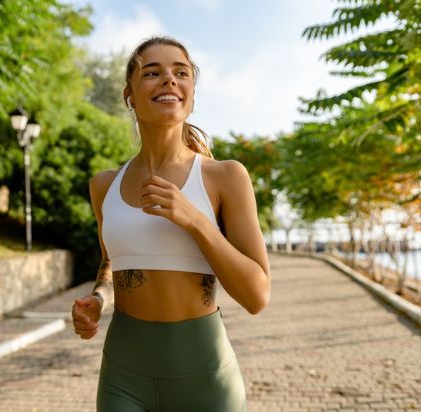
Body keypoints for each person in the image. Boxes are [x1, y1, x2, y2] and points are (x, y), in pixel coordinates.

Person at [71, 36, 270, 412]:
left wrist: (196, 221)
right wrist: (98, 299)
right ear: (129, 95)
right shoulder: (104, 185)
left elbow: (257, 295)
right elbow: (111, 264)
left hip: (206, 376)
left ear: (191, 95)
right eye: (152, 72)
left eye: (181, 72)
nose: (168, 80)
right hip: (123, 374)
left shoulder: (225, 177)